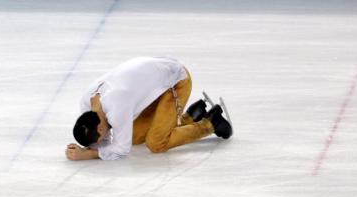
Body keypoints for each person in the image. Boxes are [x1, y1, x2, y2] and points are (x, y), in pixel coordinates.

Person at [65, 56, 232, 161]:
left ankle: (210, 123)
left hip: (176, 81)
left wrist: (89, 154)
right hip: (154, 84)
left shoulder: (116, 107)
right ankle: (190, 116)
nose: (100, 144)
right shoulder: (87, 104)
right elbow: (110, 140)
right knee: (137, 137)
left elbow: (121, 150)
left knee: (156, 143)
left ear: (100, 128)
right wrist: (88, 149)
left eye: (99, 140)